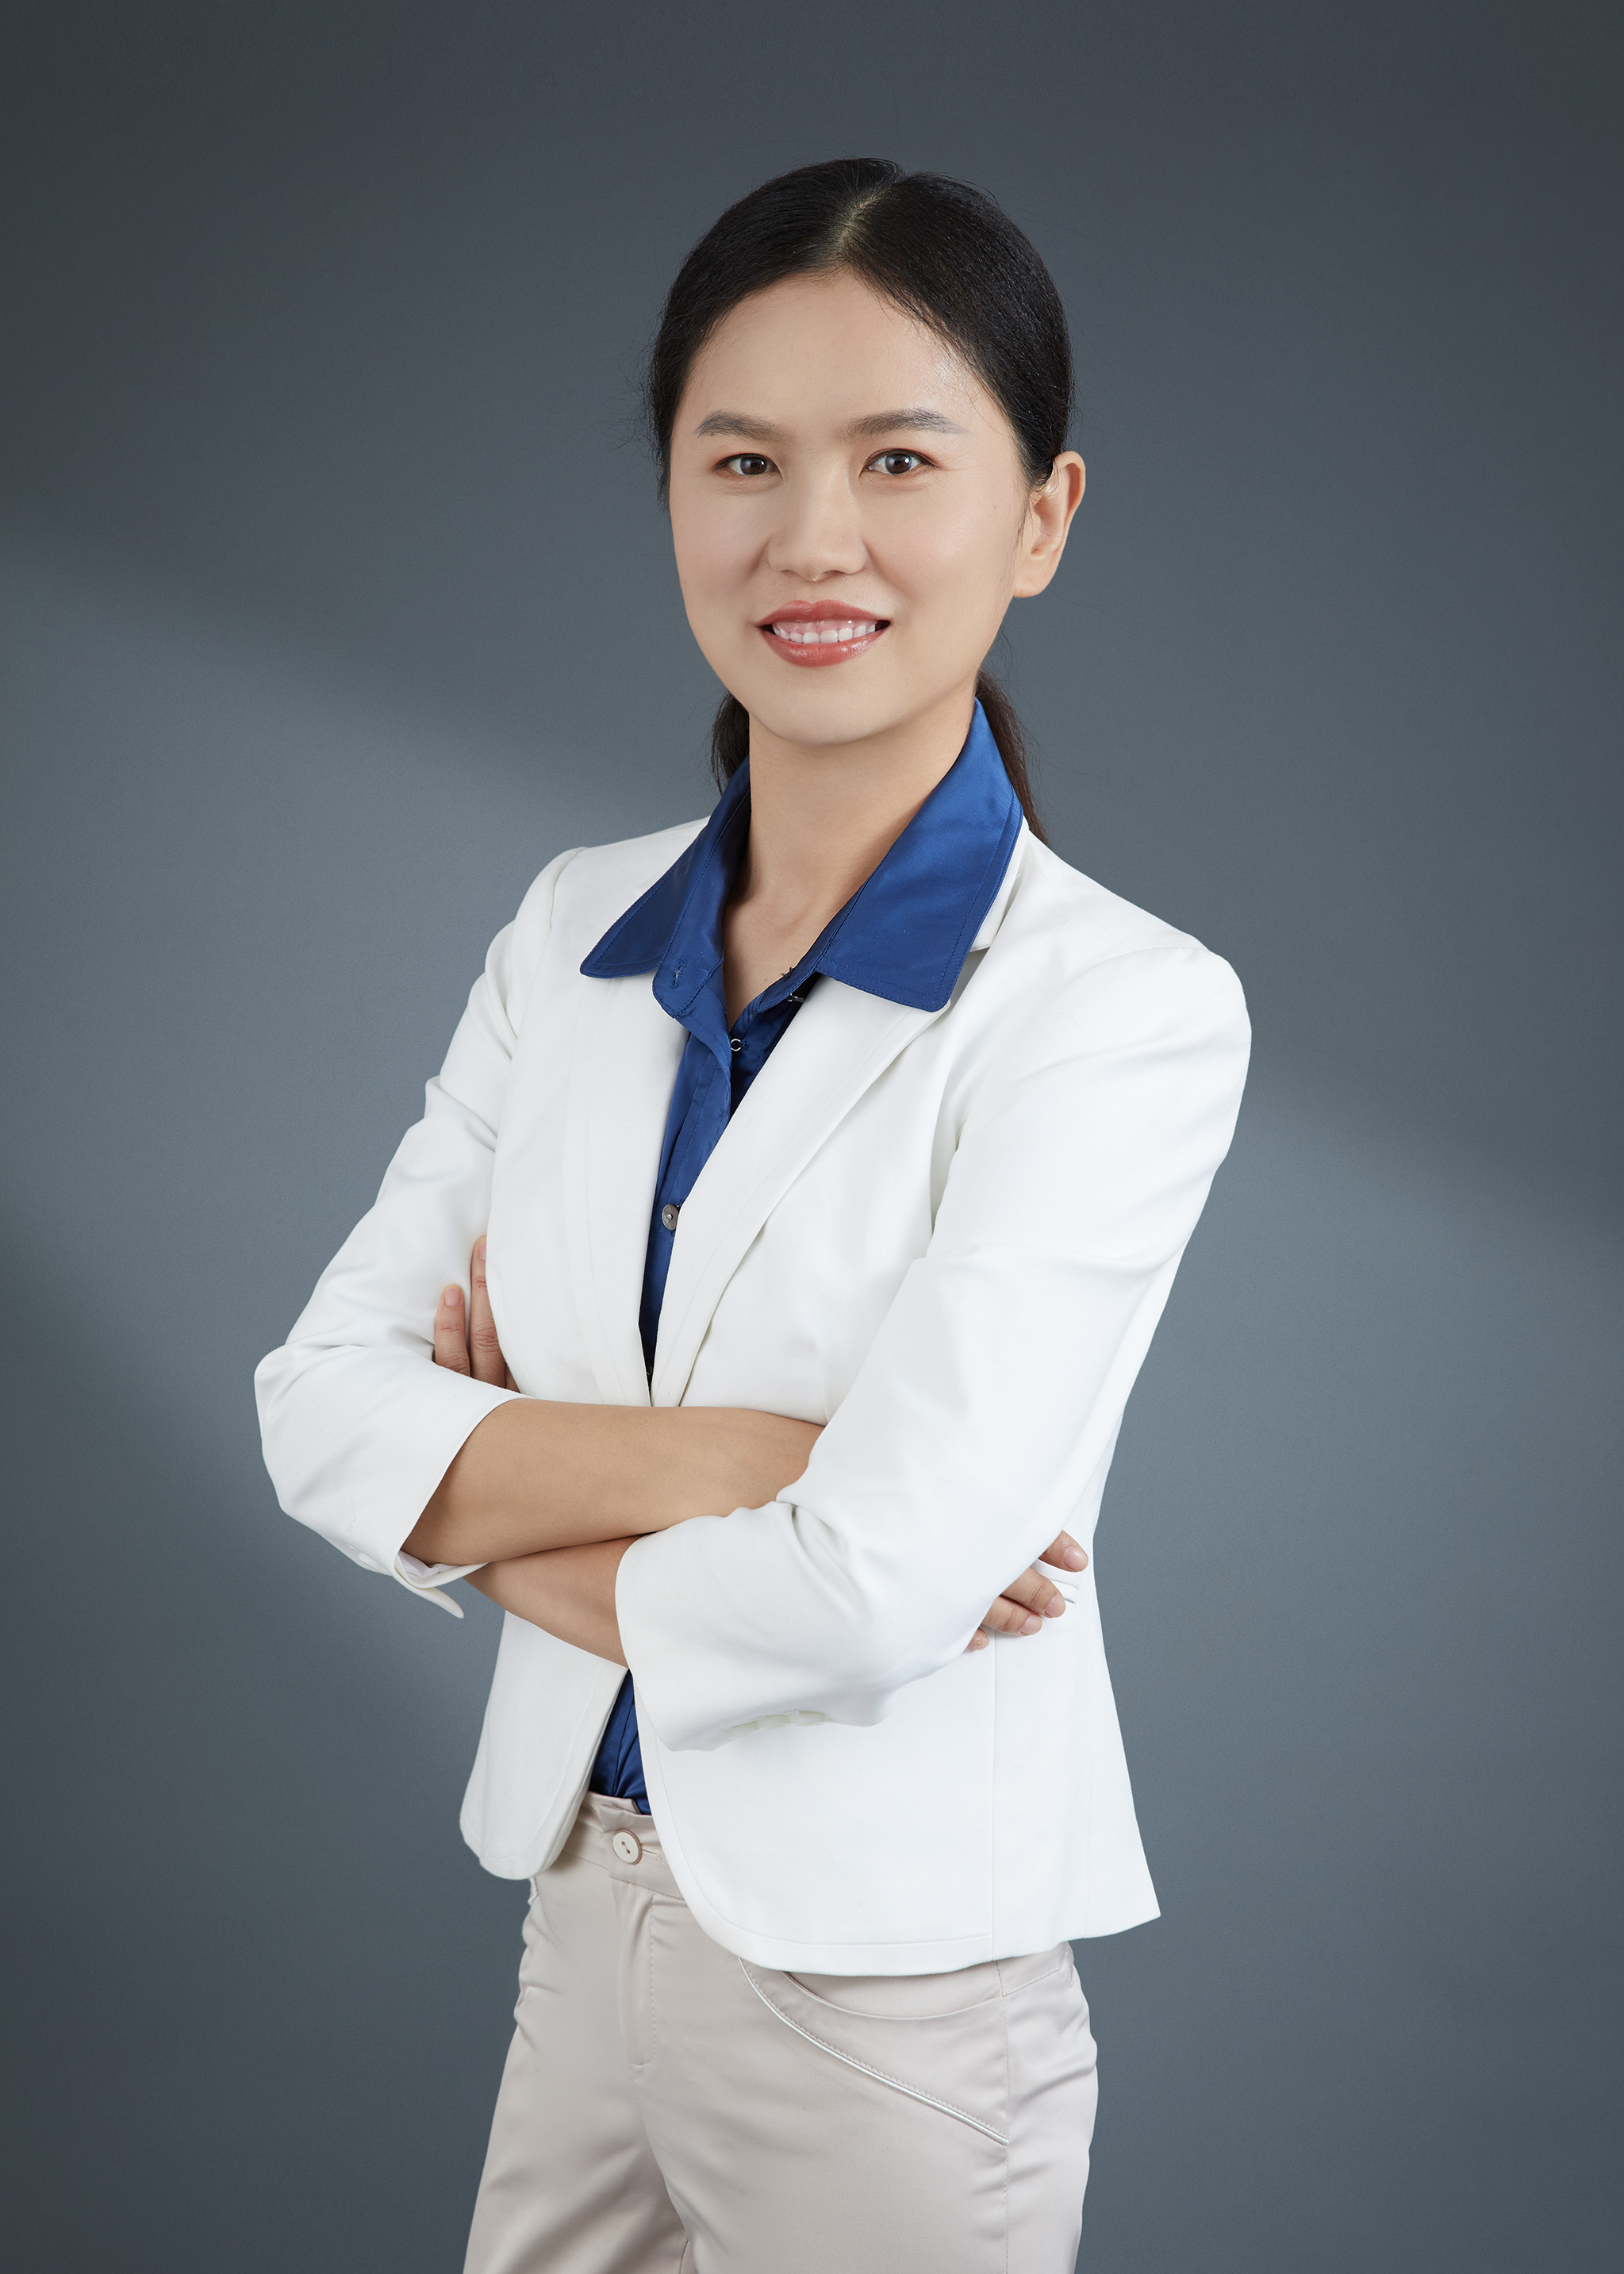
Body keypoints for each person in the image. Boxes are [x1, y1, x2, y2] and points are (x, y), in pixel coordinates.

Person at [255, 156, 1250, 2274]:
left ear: (1042, 516)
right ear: (674, 501)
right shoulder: (568, 933)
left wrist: (487, 1495)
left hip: (889, 1991)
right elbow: (316, 1407)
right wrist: (762, 1463)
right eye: (742, 462)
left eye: (899, 459)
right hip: (579, 1900)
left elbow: (877, 1587)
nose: (813, 538)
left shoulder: (1121, 1008)